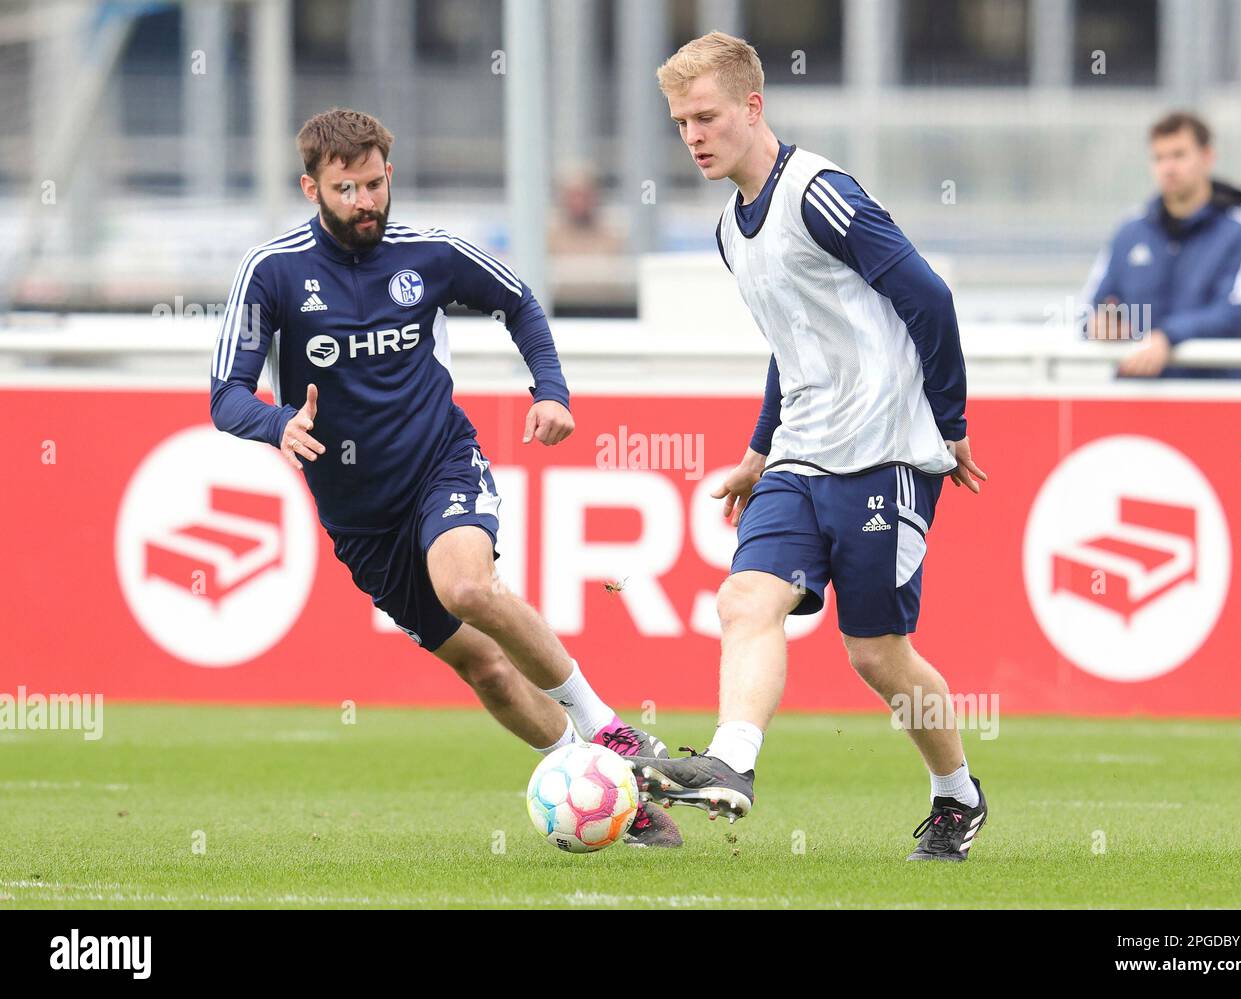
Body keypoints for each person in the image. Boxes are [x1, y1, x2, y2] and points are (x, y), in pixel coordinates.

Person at [209, 107, 680, 848]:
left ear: (388, 174)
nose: (365, 202)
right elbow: (225, 395)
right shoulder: (271, 272)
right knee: (487, 670)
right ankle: (598, 788)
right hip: (360, 519)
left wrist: (550, 389)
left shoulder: (428, 253)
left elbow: (517, 300)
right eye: (346, 189)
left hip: (440, 463)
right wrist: (277, 425)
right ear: (311, 187)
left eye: (374, 183)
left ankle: (610, 730)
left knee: (466, 585)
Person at [628, 34, 990, 862]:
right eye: (681, 122)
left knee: (875, 653)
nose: (693, 136)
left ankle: (956, 794)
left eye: (707, 116)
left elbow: (927, 296)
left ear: (754, 107)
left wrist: (951, 424)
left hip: (885, 452)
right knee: (743, 603)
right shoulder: (730, 229)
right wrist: (759, 453)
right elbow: (790, 343)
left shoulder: (819, 195)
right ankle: (734, 762)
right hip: (797, 459)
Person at [1081, 110, 1241, 379]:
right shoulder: (1130, 230)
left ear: (1207, 157)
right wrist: (1100, 325)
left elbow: (1234, 313)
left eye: (1179, 155)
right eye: (1159, 158)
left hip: (1212, 403)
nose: (1168, 168)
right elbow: (1089, 308)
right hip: (1134, 402)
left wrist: (1168, 337)